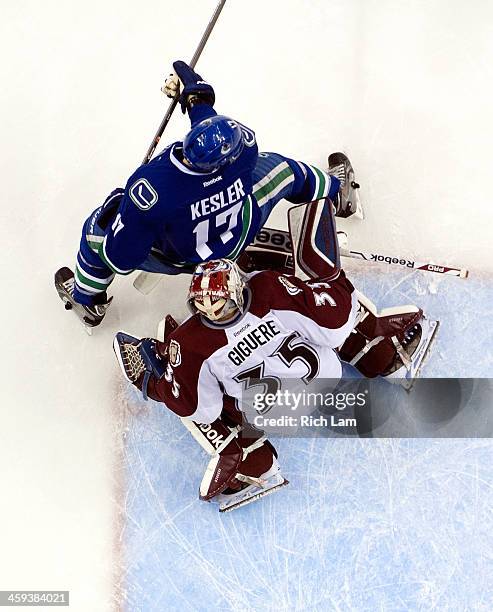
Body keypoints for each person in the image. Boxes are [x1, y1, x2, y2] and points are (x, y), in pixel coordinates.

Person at [114, 198, 435, 511]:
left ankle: (250, 459)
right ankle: (380, 353)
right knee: (321, 307)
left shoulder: (191, 342)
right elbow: (334, 324)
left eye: (217, 304)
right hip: (326, 380)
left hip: (272, 415)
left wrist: (156, 382)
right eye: (206, 306)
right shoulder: (267, 290)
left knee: (187, 394)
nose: (213, 312)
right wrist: (329, 277)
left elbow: (199, 408)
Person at [63, 60, 361, 326]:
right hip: (239, 228)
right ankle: (337, 192)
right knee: (286, 171)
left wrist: (122, 213)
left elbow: (122, 258)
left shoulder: (154, 189)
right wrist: (197, 99)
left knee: (95, 234)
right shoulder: (244, 149)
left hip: (186, 258)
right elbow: (217, 133)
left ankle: (87, 299)